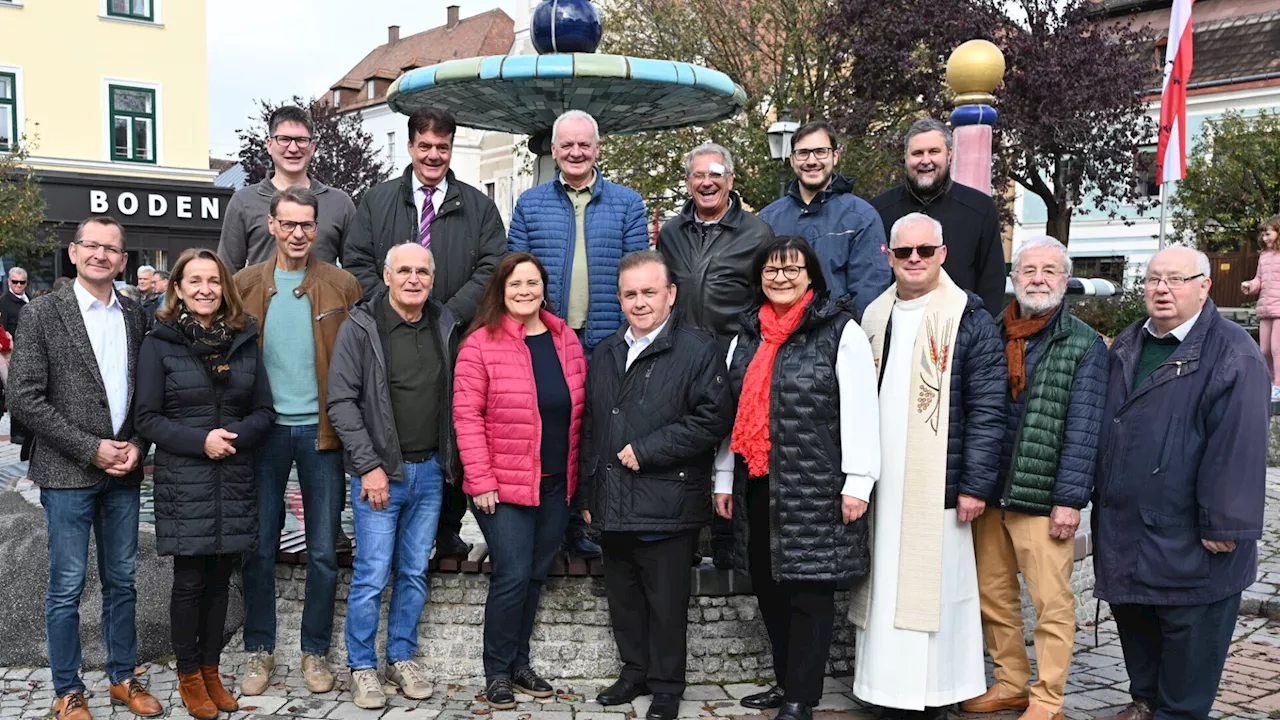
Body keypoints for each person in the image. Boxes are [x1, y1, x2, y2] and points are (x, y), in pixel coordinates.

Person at [1094, 247, 1269, 720]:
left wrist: (1225, 525)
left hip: (1194, 538)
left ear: (1204, 286)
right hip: (1129, 528)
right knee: (1137, 625)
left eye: (1176, 279)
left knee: (1190, 643)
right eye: (1153, 279)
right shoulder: (1129, 343)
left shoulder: (1234, 352)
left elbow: (1240, 445)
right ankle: (1145, 701)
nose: (1162, 289)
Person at [712, 235, 881, 720]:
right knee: (769, 584)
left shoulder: (837, 331)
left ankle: (801, 697)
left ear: (811, 275)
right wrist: (724, 479)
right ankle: (786, 681)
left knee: (810, 589)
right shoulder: (745, 336)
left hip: (817, 483)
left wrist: (858, 483)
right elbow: (731, 412)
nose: (780, 277)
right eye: (771, 270)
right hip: (758, 480)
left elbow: (860, 412)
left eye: (791, 269)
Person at [850, 212, 1006, 718]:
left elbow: (987, 408)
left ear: (943, 254)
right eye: (903, 252)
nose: (913, 259)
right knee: (884, 587)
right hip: (882, 480)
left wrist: (975, 483)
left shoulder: (970, 319)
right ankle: (885, 690)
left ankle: (938, 691)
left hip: (939, 482)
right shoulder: (873, 316)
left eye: (924, 250)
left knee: (939, 591)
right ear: (888, 257)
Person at [7, 217, 162, 720]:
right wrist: (89, 448)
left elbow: (146, 395)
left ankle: (122, 676)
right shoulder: (44, 314)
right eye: (91, 246)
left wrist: (137, 443)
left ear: (123, 260)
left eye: (111, 249)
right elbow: (24, 398)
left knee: (123, 580)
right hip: (67, 471)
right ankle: (68, 689)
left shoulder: (137, 317)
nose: (101, 255)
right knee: (67, 585)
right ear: (73, 253)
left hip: (125, 470)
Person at [342, 107, 507, 561]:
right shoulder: (377, 202)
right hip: (390, 333)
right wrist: (394, 306)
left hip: (458, 336)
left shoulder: (477, 205)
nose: (434, 155)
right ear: (411, 146)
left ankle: (449, 527)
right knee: (394, 415)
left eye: (442, 147)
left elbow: (493, 265)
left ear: (451, 148)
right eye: (425, 146)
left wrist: (448, 314)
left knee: (453, 423)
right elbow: (356, 260)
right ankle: (390, 519)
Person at [582, 251, 733, 720]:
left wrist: (649, 449)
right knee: (624, 599)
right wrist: (588, 495)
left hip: (666, 498)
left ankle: (667, 685)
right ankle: (634, 673)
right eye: (630, 294)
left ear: (670, 295)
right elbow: (590, 427)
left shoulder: (697, 348)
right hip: (612, 500)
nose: (640, 302)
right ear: (620, 298)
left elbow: (714, 418)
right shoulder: (606, 351)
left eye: (650, 292)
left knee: (666, 603)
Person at [962, 236, 1108, 720]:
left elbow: (1086, 428)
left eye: (1050, 270)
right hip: (990, 494)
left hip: (1043, 499)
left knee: (1051, 604)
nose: (1038, 279)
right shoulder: (991, 332)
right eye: (1029, 270)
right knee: (995, 598)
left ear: (1066, 281)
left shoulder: (1082, 344)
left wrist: (1070, 500)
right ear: (1014, 278)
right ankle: (1010, 683)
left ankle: (1048, 699)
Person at [134, 249, 275, 720]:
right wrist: (201, 441)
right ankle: (190, 675)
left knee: (220, 581)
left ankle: (212, 671)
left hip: (234, 473)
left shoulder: (244, 339)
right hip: (187, 477)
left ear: (225, 288)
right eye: (194, 281)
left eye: (213, 281)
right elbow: (148, 418)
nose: (204, 289)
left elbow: (264, 411)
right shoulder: (160, 342)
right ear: (177, 288)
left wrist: (233, 438)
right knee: (191, 581)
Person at [233, 186, 364, 696]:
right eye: (288, 224)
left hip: (321, 431)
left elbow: (356, 359)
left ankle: (315, 651)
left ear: (317, 227)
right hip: (263, 431)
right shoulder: (244, 284)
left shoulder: (342, 285)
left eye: (306, 224)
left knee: (325, 550)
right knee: (259, 546)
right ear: (270, 225)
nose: (297, 233)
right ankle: (259, 649)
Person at [452, 252, 587, 710]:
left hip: (554, 484)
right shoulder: (480, 343)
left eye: (532, 283)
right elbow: (466, 417)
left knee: (533, 575)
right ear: (501, 291)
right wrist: (481, 478)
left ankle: (519, 663)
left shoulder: (564, 338)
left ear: (544, 288)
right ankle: (496, 672)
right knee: (510, 574)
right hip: (501, 486)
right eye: (516, 285)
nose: (525, 291)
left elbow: (578, 413)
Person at [327, 243, 458, 709]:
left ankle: (401, 657)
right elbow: (341, 402)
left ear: (432, 278)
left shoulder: (445, 324)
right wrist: (369, 466)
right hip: (381, 476)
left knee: (415, 572)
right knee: (371, 574)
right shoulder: (361, 327)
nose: (413, 279)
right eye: (404, 270)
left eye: (423, 271)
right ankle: (362, 667)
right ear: (386, 275)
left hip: (430, 474)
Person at [870, 118, 1006, 318]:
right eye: (917, 153)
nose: (926, 160)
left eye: (934, 152)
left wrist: (981, 331)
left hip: (962, 331)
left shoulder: (979, 208)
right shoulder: (878, 211)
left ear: (949, 155)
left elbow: (992, 280)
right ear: (905, 157)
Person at [758, 121, 891, 319]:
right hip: (778, 339)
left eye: (821, 151)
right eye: (803, 153)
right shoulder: (768, 218)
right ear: (792, 159)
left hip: (837, 341)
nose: (811, 161)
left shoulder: (861, 218)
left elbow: (869, 294)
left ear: (835, 156)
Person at [658, 142, 773, 352]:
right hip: (680, 354)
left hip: (735, 354)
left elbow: (769, 301)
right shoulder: (670, 234)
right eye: (698, 175)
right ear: (688, 183)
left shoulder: (757, 234)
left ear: (730, 180)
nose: (706, 182)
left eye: (715, 175)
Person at [218, 106, 356, 269]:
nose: (293, 148)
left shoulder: (339, 203)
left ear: (313, 147)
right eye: (284, 139)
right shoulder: (243, 202)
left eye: (301, 140)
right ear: (269, 145)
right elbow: (227, 271)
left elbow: (354, 270)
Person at [1241, 215, 1280, 393]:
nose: (1264, 238)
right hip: (1266, 309)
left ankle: (1278, 385)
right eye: (1263, 235)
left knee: (1276, 348)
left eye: (1268, 234)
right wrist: (1250, 285)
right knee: (1263, 349)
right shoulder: (1264, 256)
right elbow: (1259, 279)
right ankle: (1268, 383)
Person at [0, 266, 30, 336]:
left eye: (22, 282)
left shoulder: (31, 299)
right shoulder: (3, 302)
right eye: (15, 282)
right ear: (9, 282)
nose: (18, 285)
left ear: (26, 283)